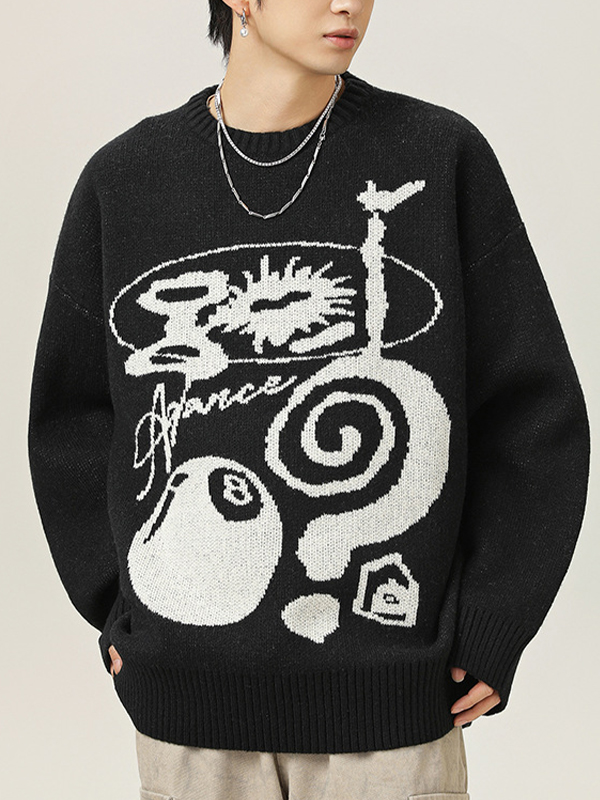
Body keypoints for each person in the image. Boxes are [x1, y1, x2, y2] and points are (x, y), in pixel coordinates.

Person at [27, 1, 590, 798]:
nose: (347, 2)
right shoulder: (125, 182)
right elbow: (71, 419)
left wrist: (497, 619)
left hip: (393, 713)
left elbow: (534, 415)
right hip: (191, 722)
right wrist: (119, 609)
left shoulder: (438, 156)